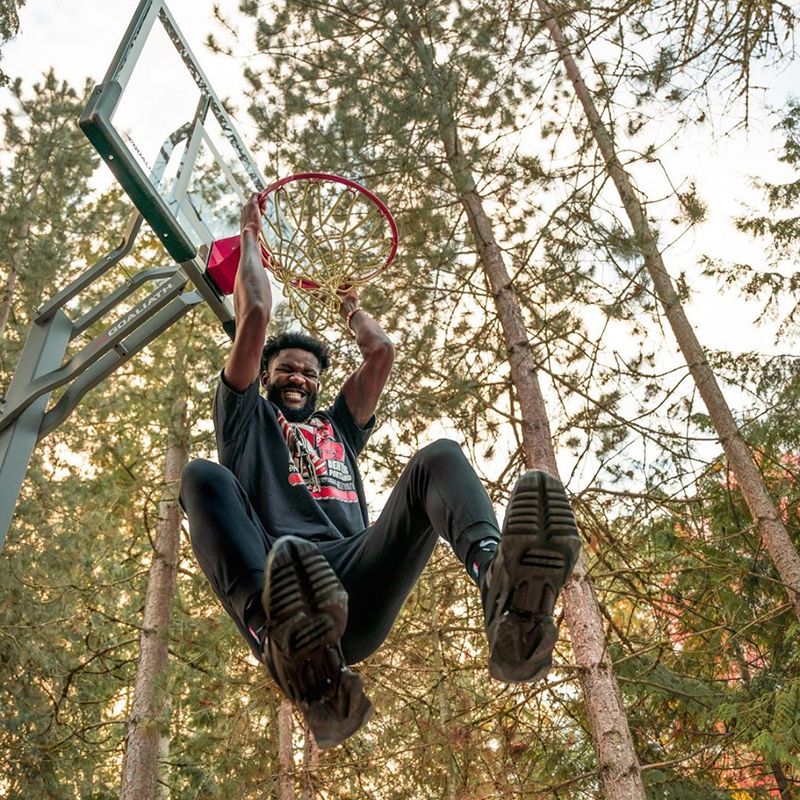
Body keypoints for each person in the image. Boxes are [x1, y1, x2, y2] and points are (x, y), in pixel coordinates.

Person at [180, 194, 581, 748]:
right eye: (286, 369)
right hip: (287, 583)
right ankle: (286, 647)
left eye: (309, 373)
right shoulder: (246, 418)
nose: (298, 377)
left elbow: (381, 353)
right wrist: (251, 240)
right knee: (203, 476)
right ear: (267, 377)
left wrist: (349, 305)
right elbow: (253, 315)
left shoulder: (337, 428)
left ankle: (502, 591)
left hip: (355, 582)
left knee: (438, 457)